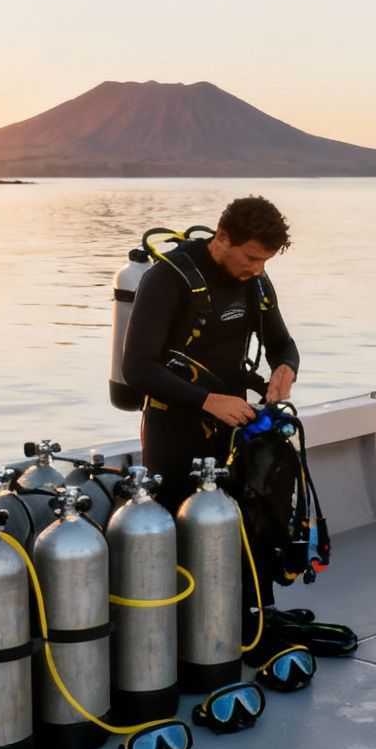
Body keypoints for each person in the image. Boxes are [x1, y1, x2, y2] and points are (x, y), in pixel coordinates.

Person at [121, 196, 299, 516]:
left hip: (234, 428)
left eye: (265, 262)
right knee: (184, 527)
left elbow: (282, 344)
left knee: (238, 528)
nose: (258, 269)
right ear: (223, 236)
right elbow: (137, 367)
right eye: (251, 258)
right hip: (174, 434)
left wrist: (286, 368)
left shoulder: (255, 282)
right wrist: (209, 401)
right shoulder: (166, 279)